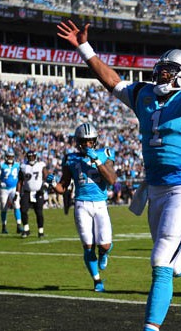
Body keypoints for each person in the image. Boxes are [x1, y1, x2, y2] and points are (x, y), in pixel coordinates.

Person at [57, 0, 181, 330]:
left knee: (160, 263)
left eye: (169, 71)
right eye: (160, 69)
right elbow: (113, 82)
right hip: (155, 188)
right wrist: (85, 49)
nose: (161, 74)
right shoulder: (145, 97)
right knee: (177, 262)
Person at [48, 123, 118, 292]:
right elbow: (62, 187)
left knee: (105, 245)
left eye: (90, 141)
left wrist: (97, 160)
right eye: (84, 141)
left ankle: (104, 253)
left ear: (95, 141)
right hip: (81, 203)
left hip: (100, 204)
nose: (87, 144)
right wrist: (51, 183)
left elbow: (112, 180)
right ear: (77, 141)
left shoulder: (105, 153)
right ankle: (97, 281)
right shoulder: (70, 158)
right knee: (87, 246)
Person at [17, 150, 50, 238]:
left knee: (39, 212)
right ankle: (26, 229)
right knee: (23, 210)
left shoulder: (40, 165)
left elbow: (47, 176)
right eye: (29, 156)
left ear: (35, 157)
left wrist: (45, 186)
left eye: (33, 156)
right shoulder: (23, 167)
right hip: (27, 191)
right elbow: (20, 181)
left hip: (38, 191)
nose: (31, 158)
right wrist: (17, 193)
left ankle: (40, 231)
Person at [0, 148, 23, 234]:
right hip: (4, 189)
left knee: (17, 205)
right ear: (6, 157)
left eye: (11, 157)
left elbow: (21, 176)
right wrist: (0, 182)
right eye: (9, 157)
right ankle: (4, 226)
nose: (10, 158)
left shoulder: (17, 165)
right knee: (4, 207)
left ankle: (18, 226)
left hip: (14, 188)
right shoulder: (2, 165)